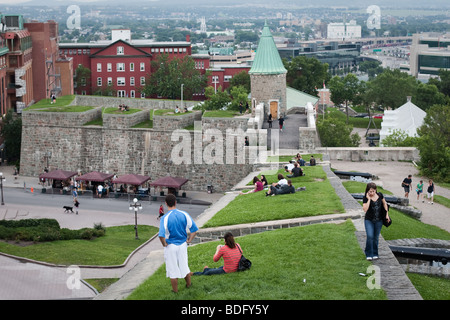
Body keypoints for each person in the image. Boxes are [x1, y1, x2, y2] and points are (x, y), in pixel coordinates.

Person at [158, 194, 198, 293]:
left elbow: (161, 235)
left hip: (171, 245)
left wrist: (164, 244)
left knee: (172, 269)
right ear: (176, 202)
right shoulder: (184, 214)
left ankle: (175, 291)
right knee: (184, 265)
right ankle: (189, 285)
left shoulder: (165, 218)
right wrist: (189, 240)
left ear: (166, 203)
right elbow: (194, 229)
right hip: (183, 244)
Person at [362, 182, 390, 261]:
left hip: (379, 220)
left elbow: (385, 204)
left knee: (376, 237)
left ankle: (375, 253)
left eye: (373, 191)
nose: (371, 193)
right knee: (370, 236)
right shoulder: (365, 198)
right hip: (369, 220)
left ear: (376, 190)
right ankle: (368, 253)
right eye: (370, 191)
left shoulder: (380, 195)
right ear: (367, 191)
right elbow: (365, 209)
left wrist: (386, 214)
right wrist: (369, 199)